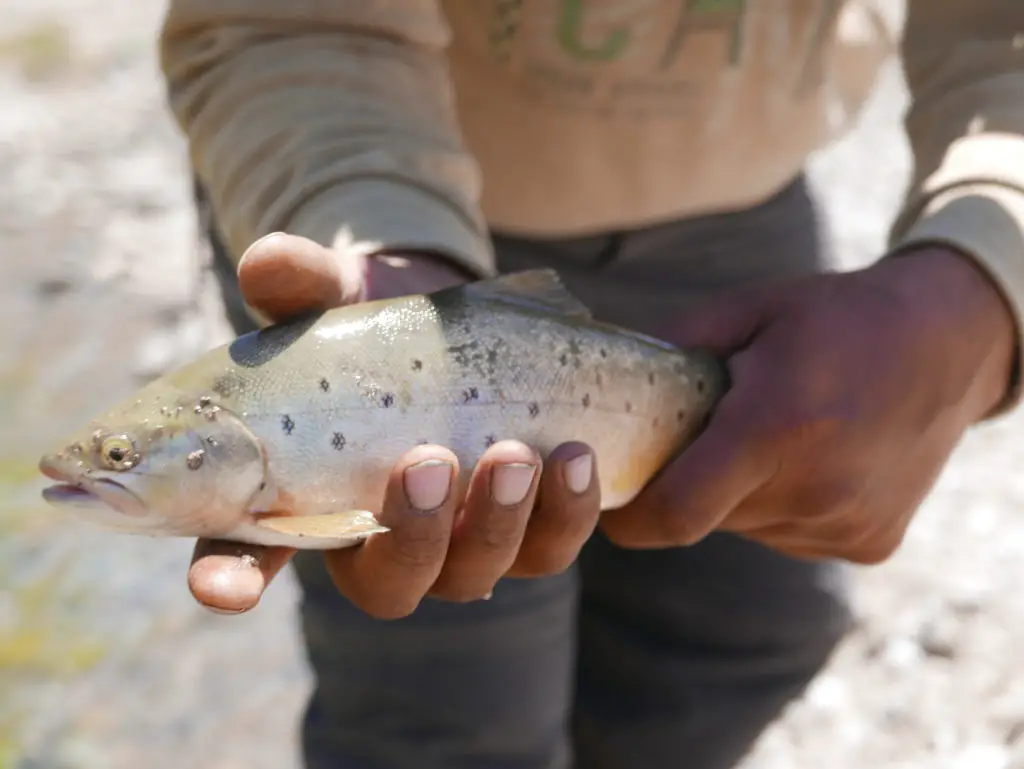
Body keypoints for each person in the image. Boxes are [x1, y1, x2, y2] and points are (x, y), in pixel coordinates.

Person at [159, 2, 1024, 768]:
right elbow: (293, 20)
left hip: (737, 198)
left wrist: (984, 277)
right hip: (359, 193)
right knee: (448, 716)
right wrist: (371, 225)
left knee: (753, 632)